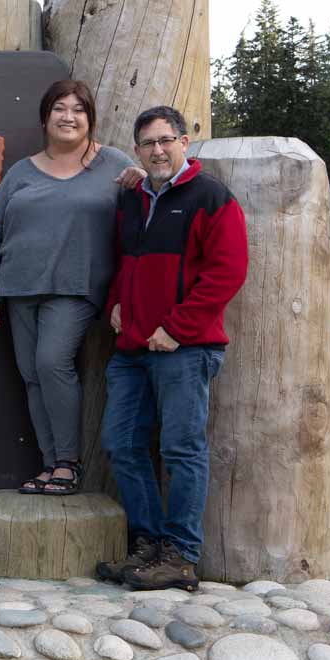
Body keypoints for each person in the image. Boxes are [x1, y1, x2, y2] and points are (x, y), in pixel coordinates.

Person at [94, 105, 248, 592]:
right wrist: (116, 304)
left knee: (182, 450)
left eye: (166, 140)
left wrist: (177, 328)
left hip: (184, 348)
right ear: (137, 149)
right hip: (132, 349)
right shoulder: (133, 199)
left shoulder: (211, 198)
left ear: (185, 141)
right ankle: (146, 547)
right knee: (122, 444)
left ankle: (180, 556)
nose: (157, 150)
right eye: (148, 143)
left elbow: (227, 272)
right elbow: (125, 262)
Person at [0, 80, 136, 495]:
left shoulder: (114, 164)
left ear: (90, 118)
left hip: (76, 287)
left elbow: (139, 225)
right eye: (59, 109)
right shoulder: (21, 173)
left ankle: (68, 462)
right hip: (19, 287)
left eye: (78, 109)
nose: (69, 116)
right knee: (31, 376)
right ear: (45, 118)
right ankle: (49, 466)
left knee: (51, 363)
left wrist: (143, 184)